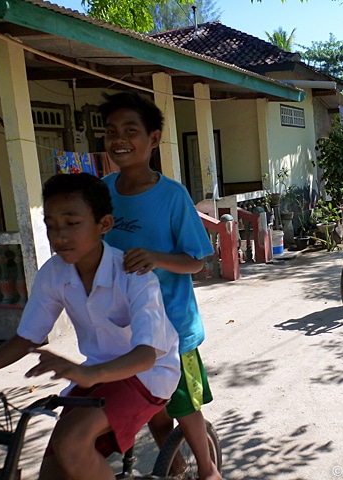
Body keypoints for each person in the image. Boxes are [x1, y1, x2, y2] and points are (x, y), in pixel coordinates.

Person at [0, 173, 180, 480]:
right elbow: (25, 338)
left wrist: (87, 374)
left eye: (72, 223)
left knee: (71, 443)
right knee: (53, 471)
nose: (59, 235)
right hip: (97, 374)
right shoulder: (54, 273)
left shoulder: (134, 275)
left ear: (104, 224)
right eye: (51, 225)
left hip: (148, 373)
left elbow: (146, 356)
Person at [98, 92, 221, 480]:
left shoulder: (172, 196)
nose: (119, 139)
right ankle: (176, 467)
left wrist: (156, 258)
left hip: (173, 326)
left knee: (184, 405)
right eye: (111, 131)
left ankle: (207, 469)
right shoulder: (100, 193)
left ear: (153, 139)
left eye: (130, 131)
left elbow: (197, 260)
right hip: (124, 328)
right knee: (152, 406)